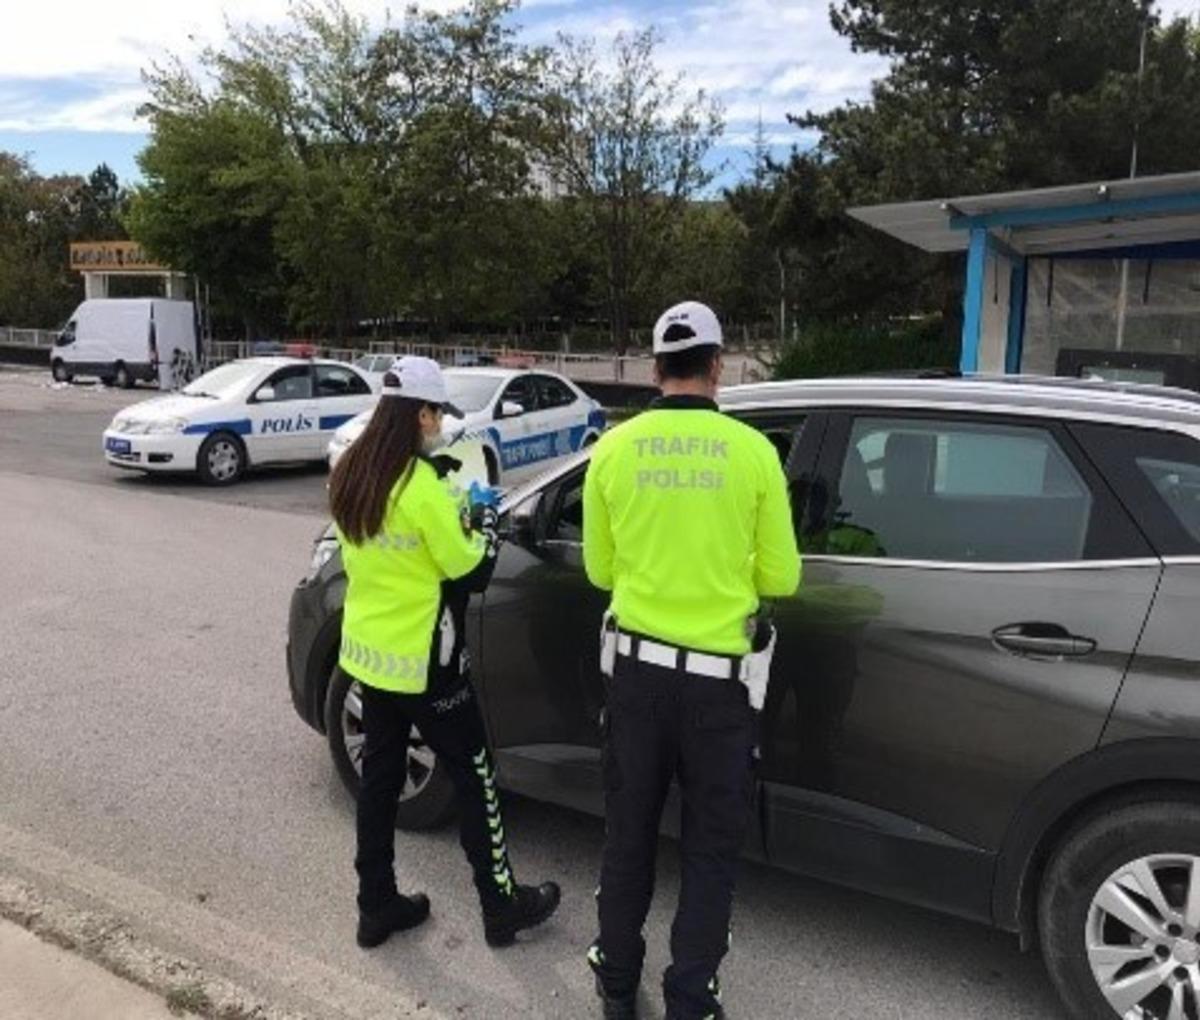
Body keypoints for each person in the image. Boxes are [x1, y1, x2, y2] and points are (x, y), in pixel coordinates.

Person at [582, 302, 802, 1019]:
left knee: (628, 838)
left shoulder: (613, 449)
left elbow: (597, 571)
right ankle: (690, 998)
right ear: (717, 366)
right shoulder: (754, 453)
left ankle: (617, 985)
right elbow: (782, 580)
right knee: (709, 851)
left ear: (654, 370)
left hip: (638, 681)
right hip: (719, 691)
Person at [329, 355, 560, 951]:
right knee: (476, 775)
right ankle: (501, 904)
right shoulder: (422, 485)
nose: (439, 427)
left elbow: (388, 556)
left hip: (369, 659)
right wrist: (483, 521)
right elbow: (470, 569)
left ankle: (374, 905)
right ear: (421, 413)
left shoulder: (353, 472)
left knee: (379, 784)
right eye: (436, 415)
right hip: (428, 666)